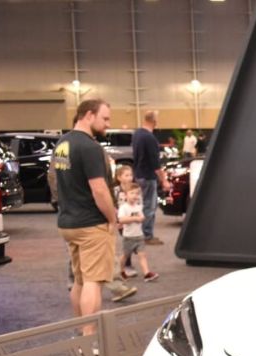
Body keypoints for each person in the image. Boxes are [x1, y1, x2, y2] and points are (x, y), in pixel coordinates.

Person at [52, 99, 118, 336]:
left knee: (80, 281)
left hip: (68, 222)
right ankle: (89, 338)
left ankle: (80, 333)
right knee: (93, 282)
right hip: (91, 224)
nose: (107, 124)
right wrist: (112, 219)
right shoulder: (89, 147)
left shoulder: (62, 143)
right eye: (105, 118)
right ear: (89, 115)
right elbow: (99, 189)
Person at [132, 109, 170, 245]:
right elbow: (155, 163)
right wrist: (164, 180)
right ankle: (147, 236)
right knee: (149, 206)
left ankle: (139, 233)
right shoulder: (150, 138)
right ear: (154, 121)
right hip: (148, 177)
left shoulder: (137, 134)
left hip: (138, 175)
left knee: (141, 206)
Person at [118, 183, 157, 282]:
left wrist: (141, 218)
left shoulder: (138, 206)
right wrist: (134, 218)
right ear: (126, 195)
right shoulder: (124, 208)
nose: (135, 196)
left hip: (139, 236)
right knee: (125, 256)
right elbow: (121, 220)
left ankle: (146, 273)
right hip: (128, 237)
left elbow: (142, 216)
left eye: (137, 193)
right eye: (132, 193)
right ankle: (120, 271)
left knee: (142, 255)